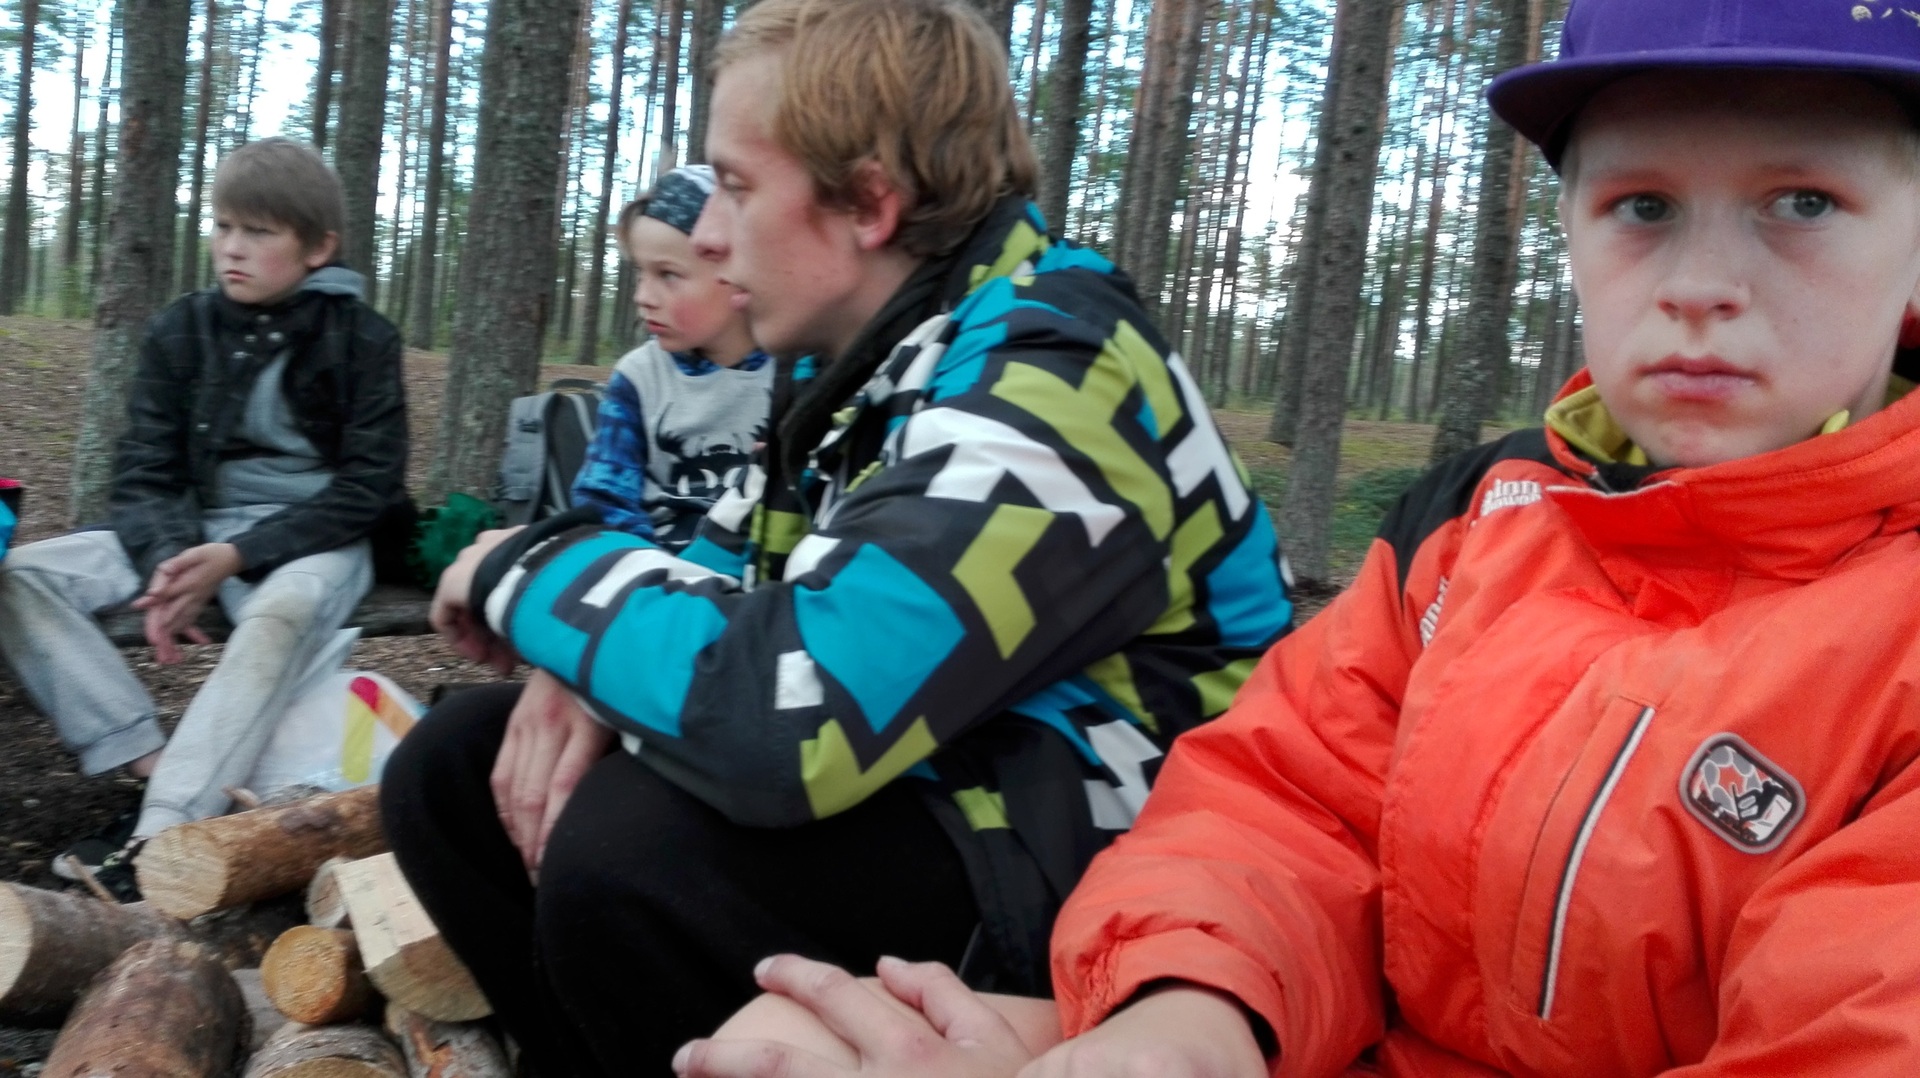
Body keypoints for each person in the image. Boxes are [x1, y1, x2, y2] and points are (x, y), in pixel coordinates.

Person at [669, 0, 1920, 1074]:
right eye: (1642, 205)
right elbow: (1281, 800)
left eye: (1803, 202)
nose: (1700, 282)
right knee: (791, 1042)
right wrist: (1186, 1022)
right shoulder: (1482, 527)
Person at [377, 0, 1290, 1073]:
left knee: (638, 850)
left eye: (736, 185)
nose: (707, 236)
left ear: (867, 201)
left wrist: (521, 569)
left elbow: (790, 718)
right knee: (454, 769)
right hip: (966, 766)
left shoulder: (1056, 370)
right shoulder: (854, 368)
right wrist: (587, 668)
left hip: (1136, 867)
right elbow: (709, 576)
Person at [0, 138, 410, 898]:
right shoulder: (181, 329)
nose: (232, 248)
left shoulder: (363, 340)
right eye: (223, 226)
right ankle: (145, 755)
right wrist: (173, 559)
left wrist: (237, 557)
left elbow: (368, 489)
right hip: (195, 527)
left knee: (278, 618)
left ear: (318, 248)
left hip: (317, 538)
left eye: (258, 232)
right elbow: (144, 469)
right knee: (20, 574)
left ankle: (161, 831)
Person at [572, 165, 773, 549]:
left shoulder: (797, 373)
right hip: (654, 566)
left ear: (740, 273)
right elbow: (604, 499)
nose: (642, 297)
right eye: (641, 273)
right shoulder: (640, 377)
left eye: (667, 275)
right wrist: (645, 570)